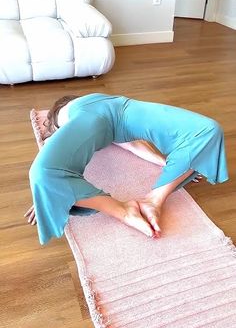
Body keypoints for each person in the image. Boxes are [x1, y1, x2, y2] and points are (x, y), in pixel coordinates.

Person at [25, 93, 228, 245]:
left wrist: (174, 164)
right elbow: (49, 163)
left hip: (120, 109)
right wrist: (45, 195)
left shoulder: (74, 113)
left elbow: (130, 144)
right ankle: (124, 210)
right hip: (115, 109)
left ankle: (152, 200)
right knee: (43, 175)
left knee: (209, 130)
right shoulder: (66, 116)